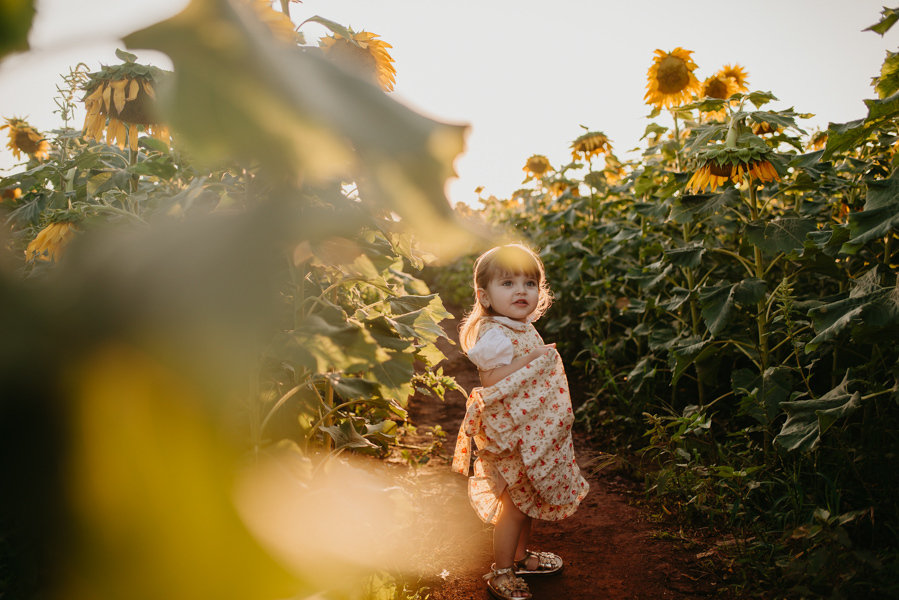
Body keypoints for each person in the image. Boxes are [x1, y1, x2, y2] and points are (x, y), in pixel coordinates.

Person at [452, 243, 589, 600]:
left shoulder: (519, 326)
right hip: (510, 433)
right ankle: (501, 571)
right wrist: (536, 359)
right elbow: (491, 380)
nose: (521, 291)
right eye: (508, 283)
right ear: (484, 295)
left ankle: (522, 557)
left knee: (526, 499)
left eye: (530, 283)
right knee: (514, 505)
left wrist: (535, 357)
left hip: (527, 430)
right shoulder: (496, 333)